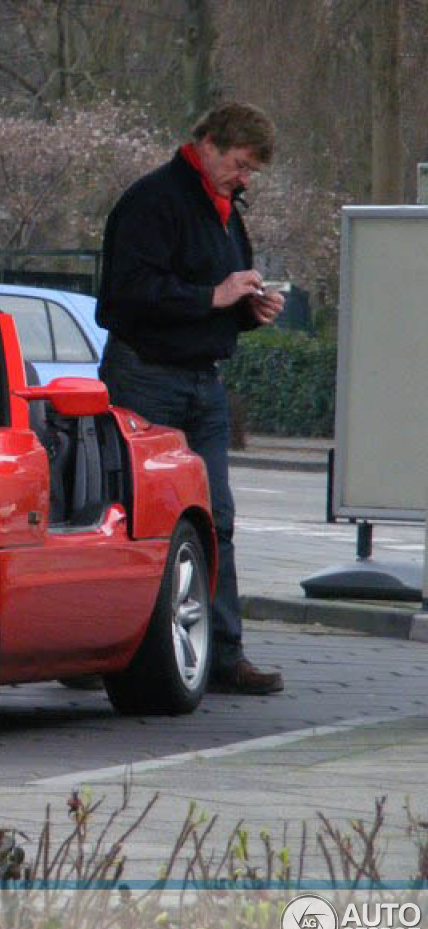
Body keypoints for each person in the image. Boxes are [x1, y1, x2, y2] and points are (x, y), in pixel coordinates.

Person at [96, 101, 285, 695]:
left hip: (203, 381)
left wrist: (249, 311)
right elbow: (126, 295)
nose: (244, 177)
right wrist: (213, 296)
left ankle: (221, 653)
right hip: (146, 376)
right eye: (239, 163)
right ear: (206, 143)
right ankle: (119, 647)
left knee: (216, 520)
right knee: (142, 520)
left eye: (252, 169)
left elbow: (216, 298)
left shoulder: (226, 210)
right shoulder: (153, 201)